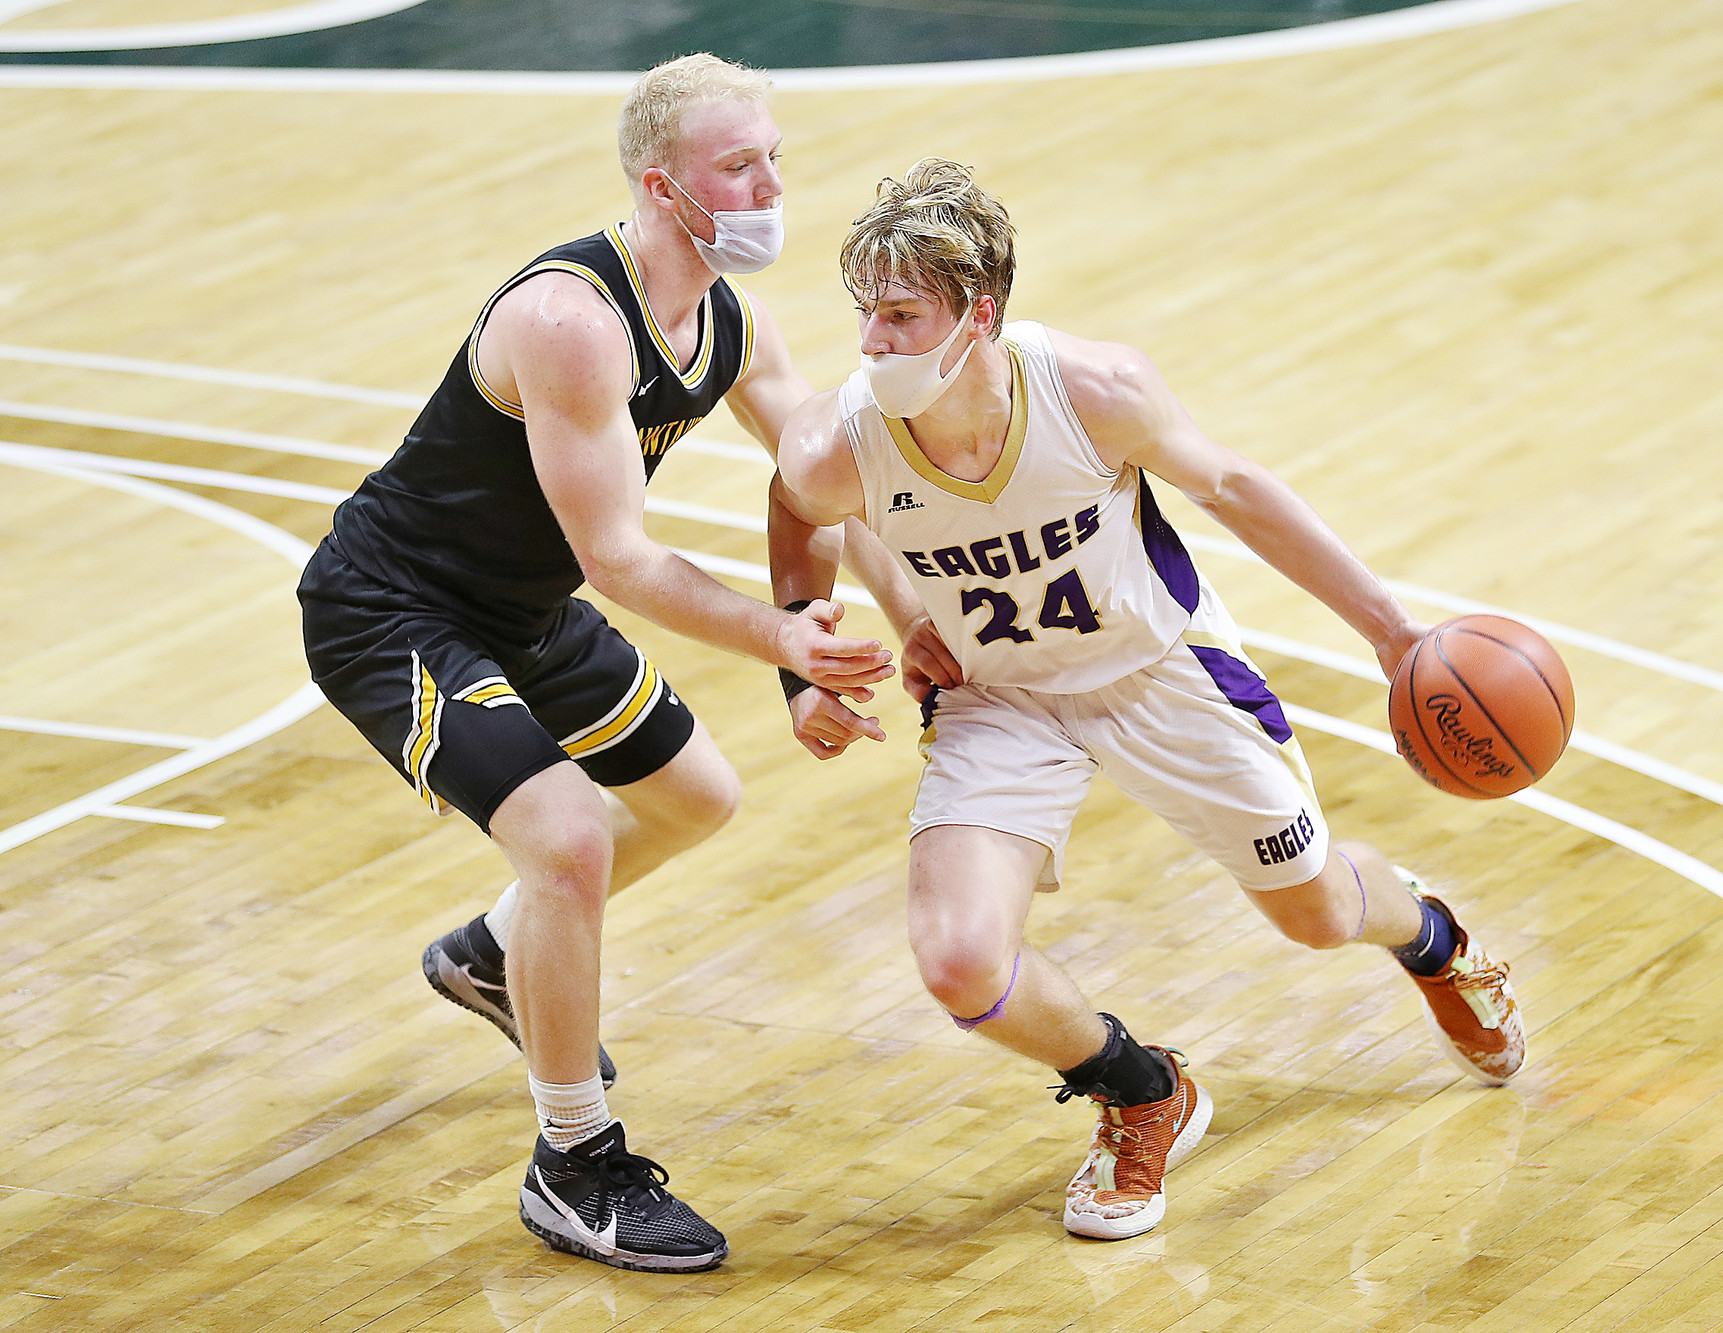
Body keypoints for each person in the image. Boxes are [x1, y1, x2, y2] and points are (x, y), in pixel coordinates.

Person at [768, 159, 1524, 1242]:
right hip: (1000, 694)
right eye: (864, 317)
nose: (872, 343)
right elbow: (796, 510)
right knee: (957, 960)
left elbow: (1236, 491)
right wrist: (807, 653)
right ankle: (1139, 1088)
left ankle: (1433, 938)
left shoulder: (1092, 390)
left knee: (1314, 918)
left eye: (900, 316)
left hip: (1160, 674)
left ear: (978, 314)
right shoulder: (838, 437)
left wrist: (1390, 632)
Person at [297, 55, 941, 1272]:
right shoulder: (569, 320)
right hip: (396, 607)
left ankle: (491, 957)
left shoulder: (733, 318)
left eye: (774, 155)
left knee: (697, 794)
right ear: (664, 183)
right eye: (739, 164)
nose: (770, 183)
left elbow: (830, 483)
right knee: (567, 838)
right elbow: (620, 557)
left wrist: (893, 633)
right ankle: (573, 1163)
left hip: (519, 608)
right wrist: (775, 635)